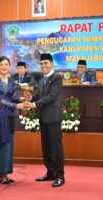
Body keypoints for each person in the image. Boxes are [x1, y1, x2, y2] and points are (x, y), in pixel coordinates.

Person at [25, 53, 65, 187]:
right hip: (43, 118)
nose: (43, 66)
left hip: (53, 118)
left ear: (52, 63)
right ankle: (50, 172)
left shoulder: (57, 78)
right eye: (41, 64)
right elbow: (38, 96)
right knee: (46, 147)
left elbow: (52, 96)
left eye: (46, 63)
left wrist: (34, 105)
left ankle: (60, 176)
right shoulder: (41, 80)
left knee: (56, 147)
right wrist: (29, 99)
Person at [0, 56, 26, 184]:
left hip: (9, 115)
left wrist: (20, 100)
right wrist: (16, 105)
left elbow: (12, 96)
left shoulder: (11, 81)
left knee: (9, 144)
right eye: (2, 64)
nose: (4, 67)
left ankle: (6, 173)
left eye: (6, 64)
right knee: (1, 143)